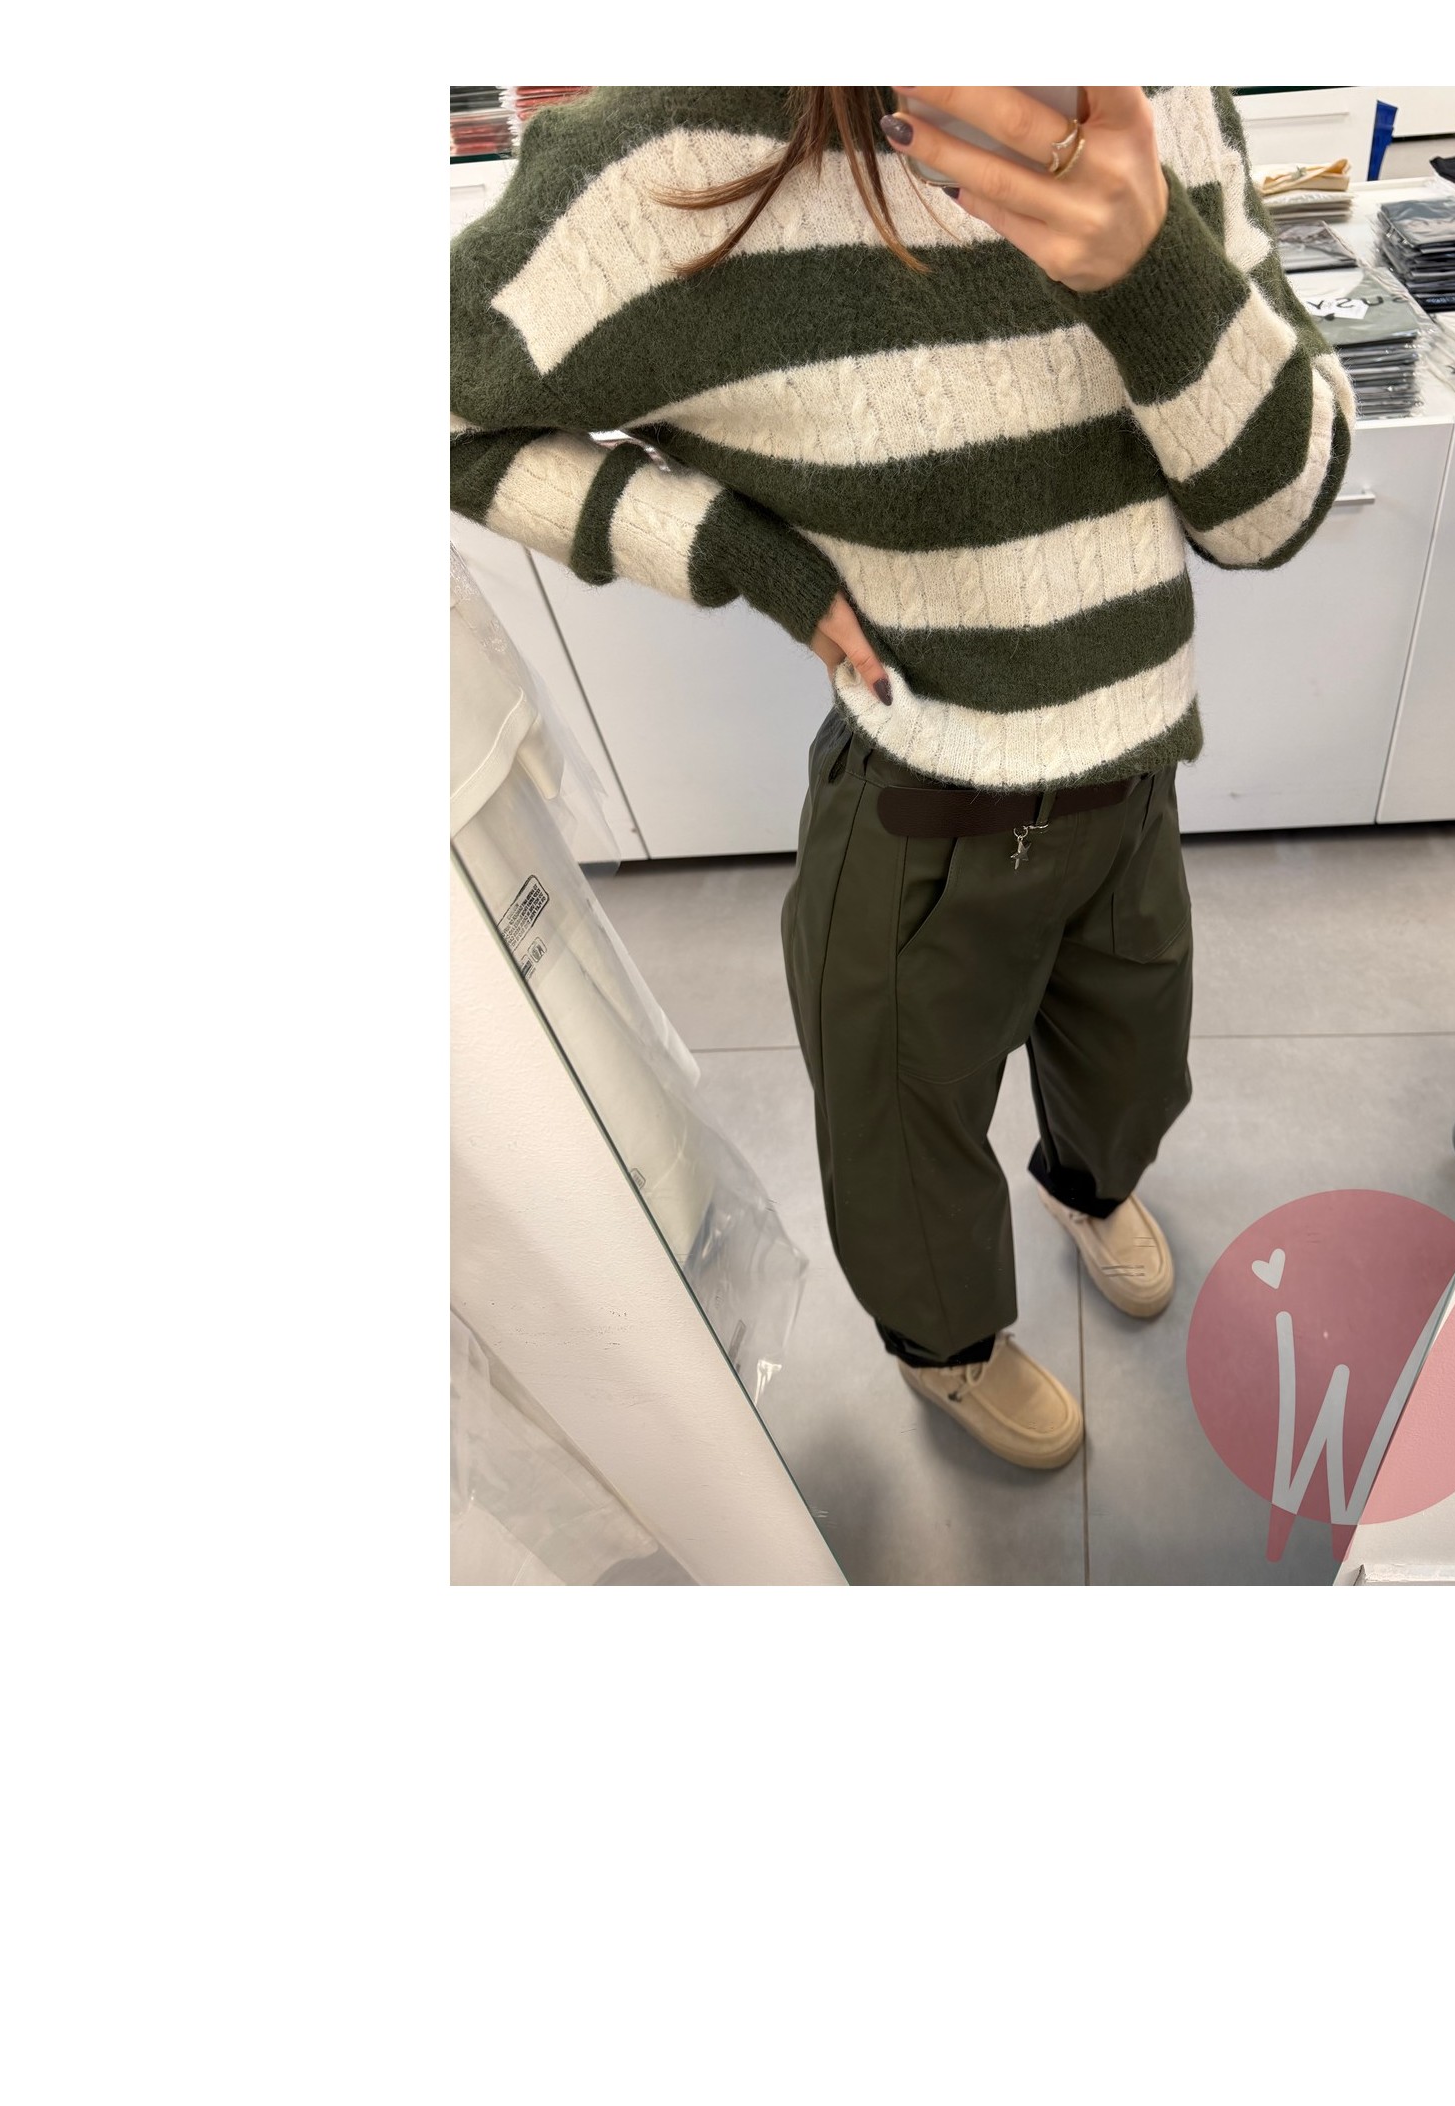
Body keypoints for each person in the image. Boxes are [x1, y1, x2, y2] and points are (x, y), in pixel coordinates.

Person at [449, 86, 1354, 1469]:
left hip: (1134, 783)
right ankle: (947, 1348)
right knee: (900, 1140)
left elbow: (1274, 514)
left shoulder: (1163, 96)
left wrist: (1151, 268)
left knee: (1132, 1069)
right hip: (922, 804)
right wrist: (729, 550)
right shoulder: (668, 158)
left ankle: (1086, 1186)